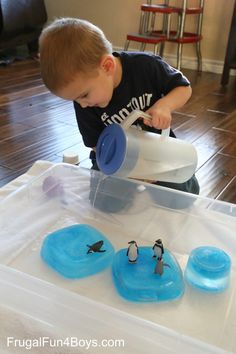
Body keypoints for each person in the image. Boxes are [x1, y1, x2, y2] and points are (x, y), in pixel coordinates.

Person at [39, 17, 199, 195]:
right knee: (103, 199)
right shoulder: (84, 104)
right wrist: (130, 169)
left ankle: (184, 185)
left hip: (157, 149)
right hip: (116, 156)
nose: (82, 104)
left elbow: (184, 88)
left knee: (180, 193)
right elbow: (96, 146)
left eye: (84, 95)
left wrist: (165, 105)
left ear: (107, 66)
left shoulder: (145, 66)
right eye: (75, 100)